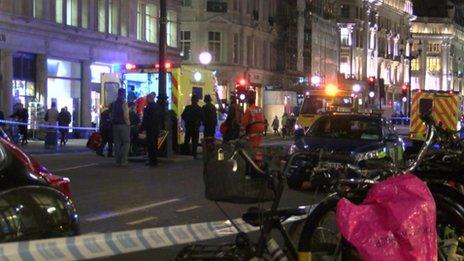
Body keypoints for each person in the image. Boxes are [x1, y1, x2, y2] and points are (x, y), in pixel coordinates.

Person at [111, 88, 131, 166]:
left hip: (115, 125)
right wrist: (128, 123)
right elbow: (126, 115)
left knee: (117, 143)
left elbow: (112, 114)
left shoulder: (114, 104)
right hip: (123, 125)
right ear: (123, 94)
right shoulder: (124, 103)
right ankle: (123, 160)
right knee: (126, 142)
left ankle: (117, 161)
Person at [142, 93, 162, 166]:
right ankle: (155, 160)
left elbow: (145, 119)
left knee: (150, 145)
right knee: (155, 144)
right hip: (156, 128)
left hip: (150, 128)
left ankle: (151, 160)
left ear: (149, 98)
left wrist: (142, 128)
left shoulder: (148, 107)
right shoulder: (157, 106)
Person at [181, 95, 203, 159]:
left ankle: (186, 153)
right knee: (195, 142)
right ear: (197, 101)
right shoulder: (199, 108)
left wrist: (187, 120)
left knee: (186, 140)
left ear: (191, 100)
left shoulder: (187, 108)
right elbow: (202, 118)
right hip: (195, 128)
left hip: (188, 127)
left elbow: (183, 116)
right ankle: (194, 154)